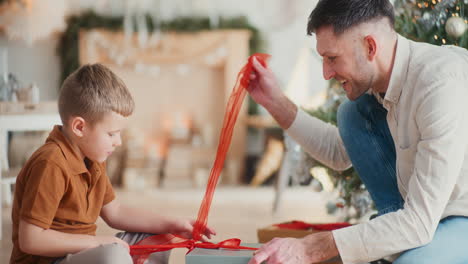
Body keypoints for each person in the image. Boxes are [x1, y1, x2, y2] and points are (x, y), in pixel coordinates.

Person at [248, 0, 468, 263]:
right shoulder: (381, 87)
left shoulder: (438, 85)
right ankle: (394, 237)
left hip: (459, 216)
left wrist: (314, 247)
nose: (326, 73)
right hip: (425, 217)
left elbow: (420, 221)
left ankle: (401, 245)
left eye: (332, 59)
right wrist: (274, 102)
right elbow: (340, 152)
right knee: (351, 114)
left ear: (370, 47)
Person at [10, 64, 216, 264]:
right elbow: (31, 240)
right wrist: (98, 243)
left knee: (156, 238)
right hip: (50, 260)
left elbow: (114, 212)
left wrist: (172, 224)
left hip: (81, 253)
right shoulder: (51, 163)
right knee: (113, 256)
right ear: (79, 127)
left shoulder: (93, 157)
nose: (118, 142)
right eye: (111, 134)